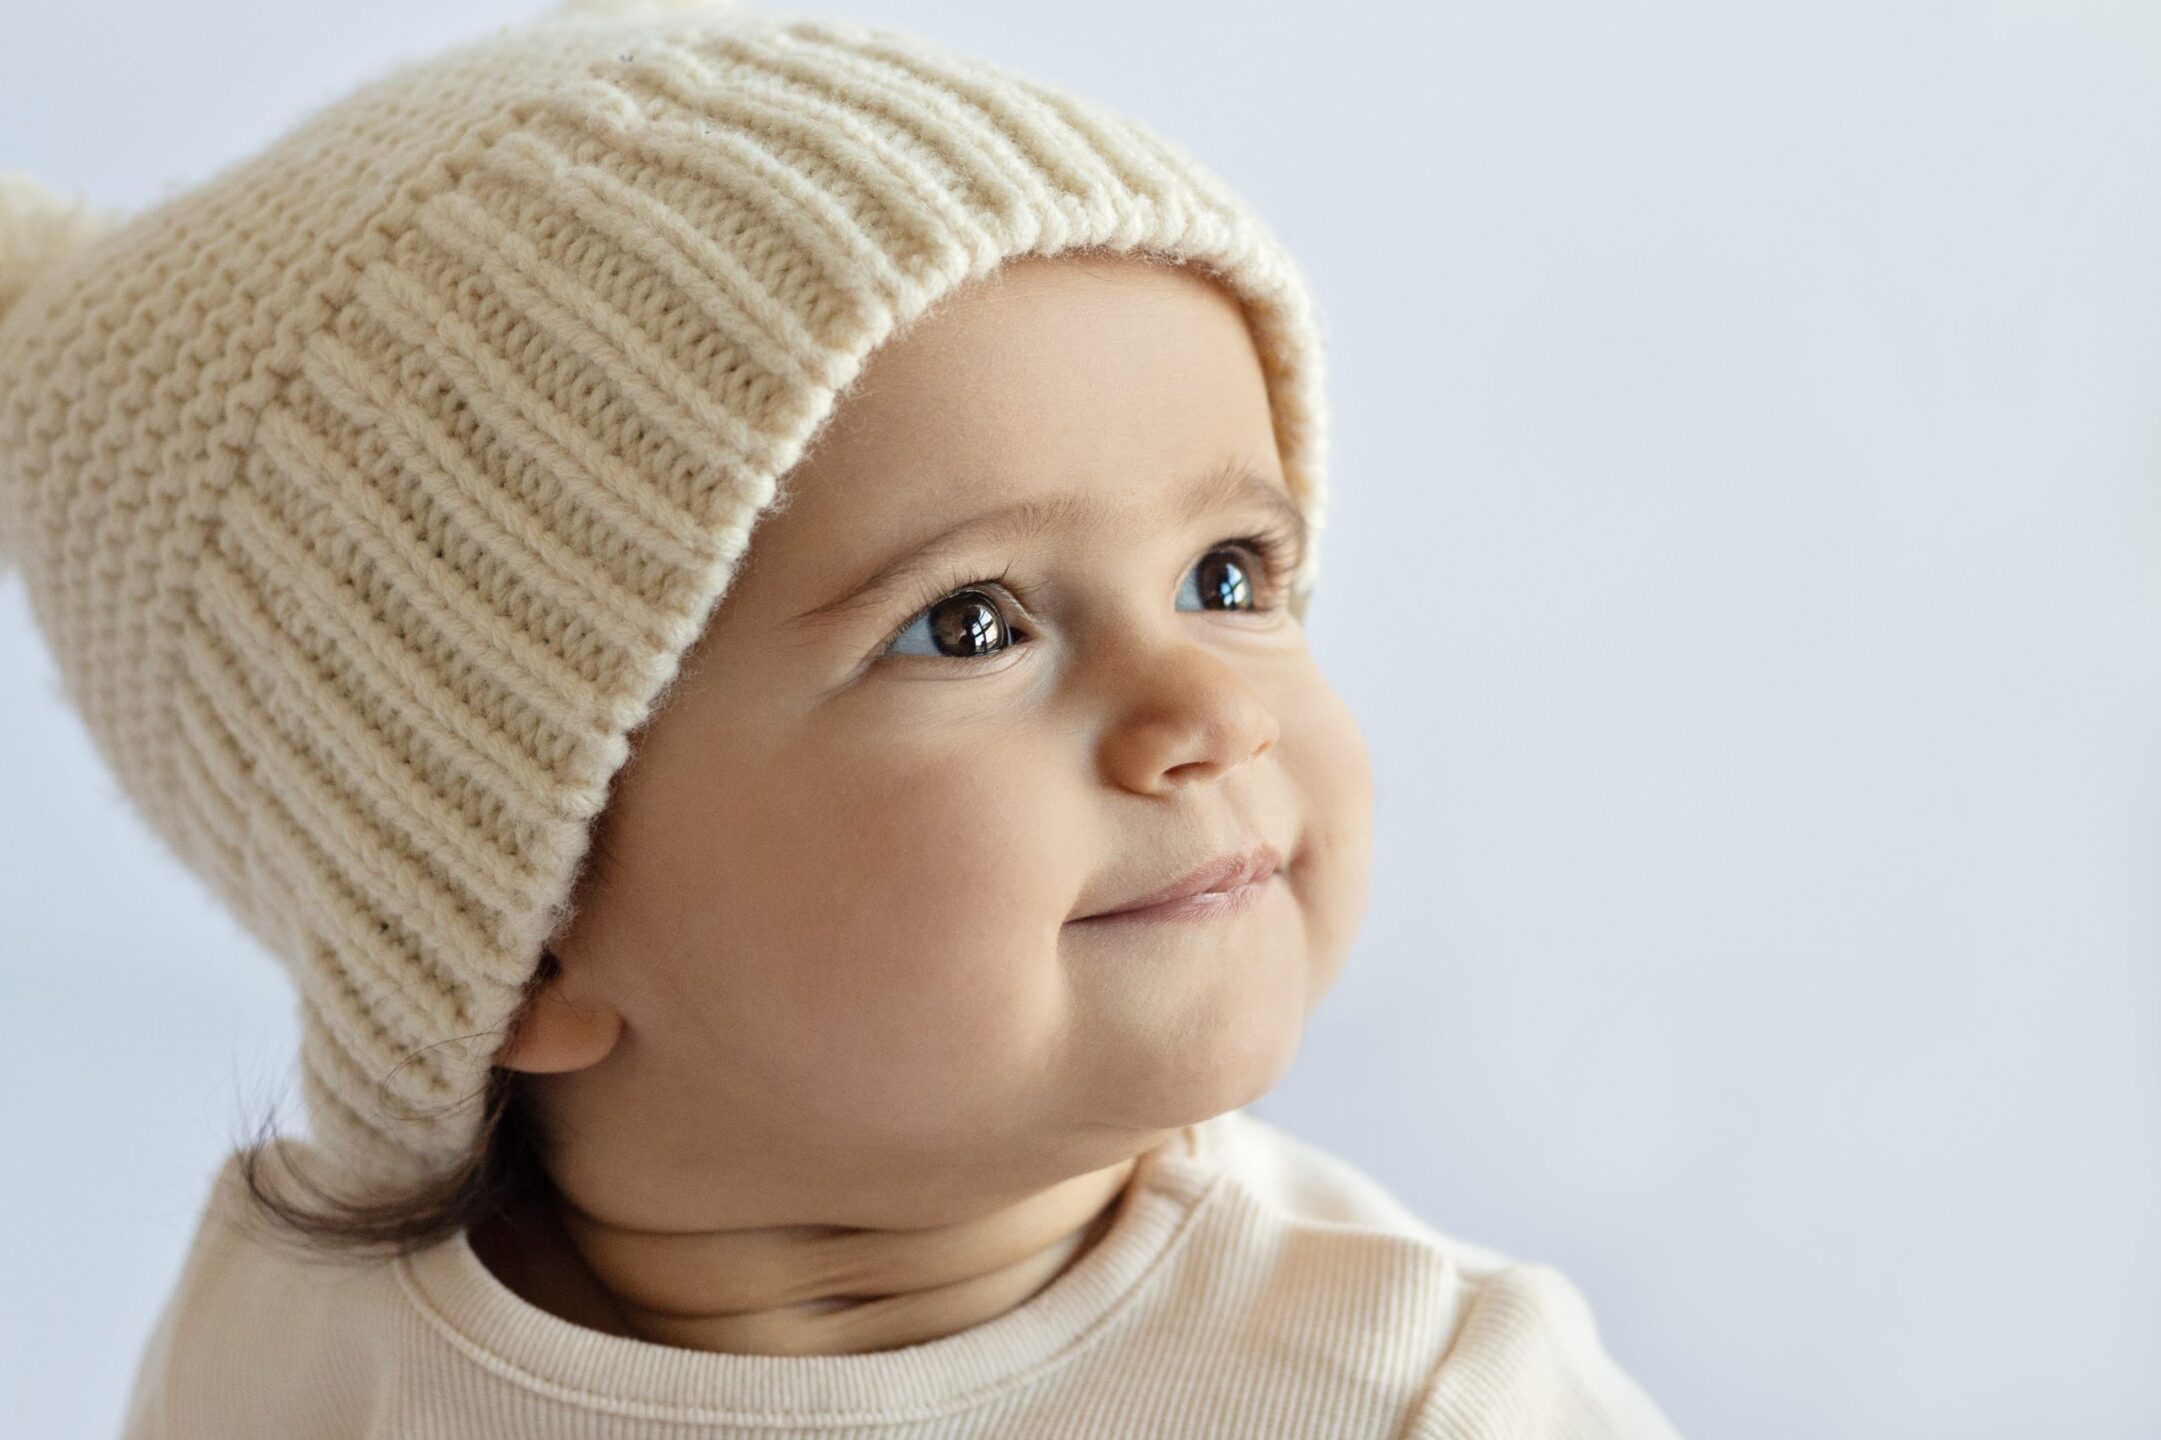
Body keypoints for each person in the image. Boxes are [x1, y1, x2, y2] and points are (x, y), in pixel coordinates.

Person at [0, 1, 1686, 1434]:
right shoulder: (308, 1359)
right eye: (972, 623)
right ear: (515, 935)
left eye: (1232, 576)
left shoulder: (1406, 1394)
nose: (1204, 709)